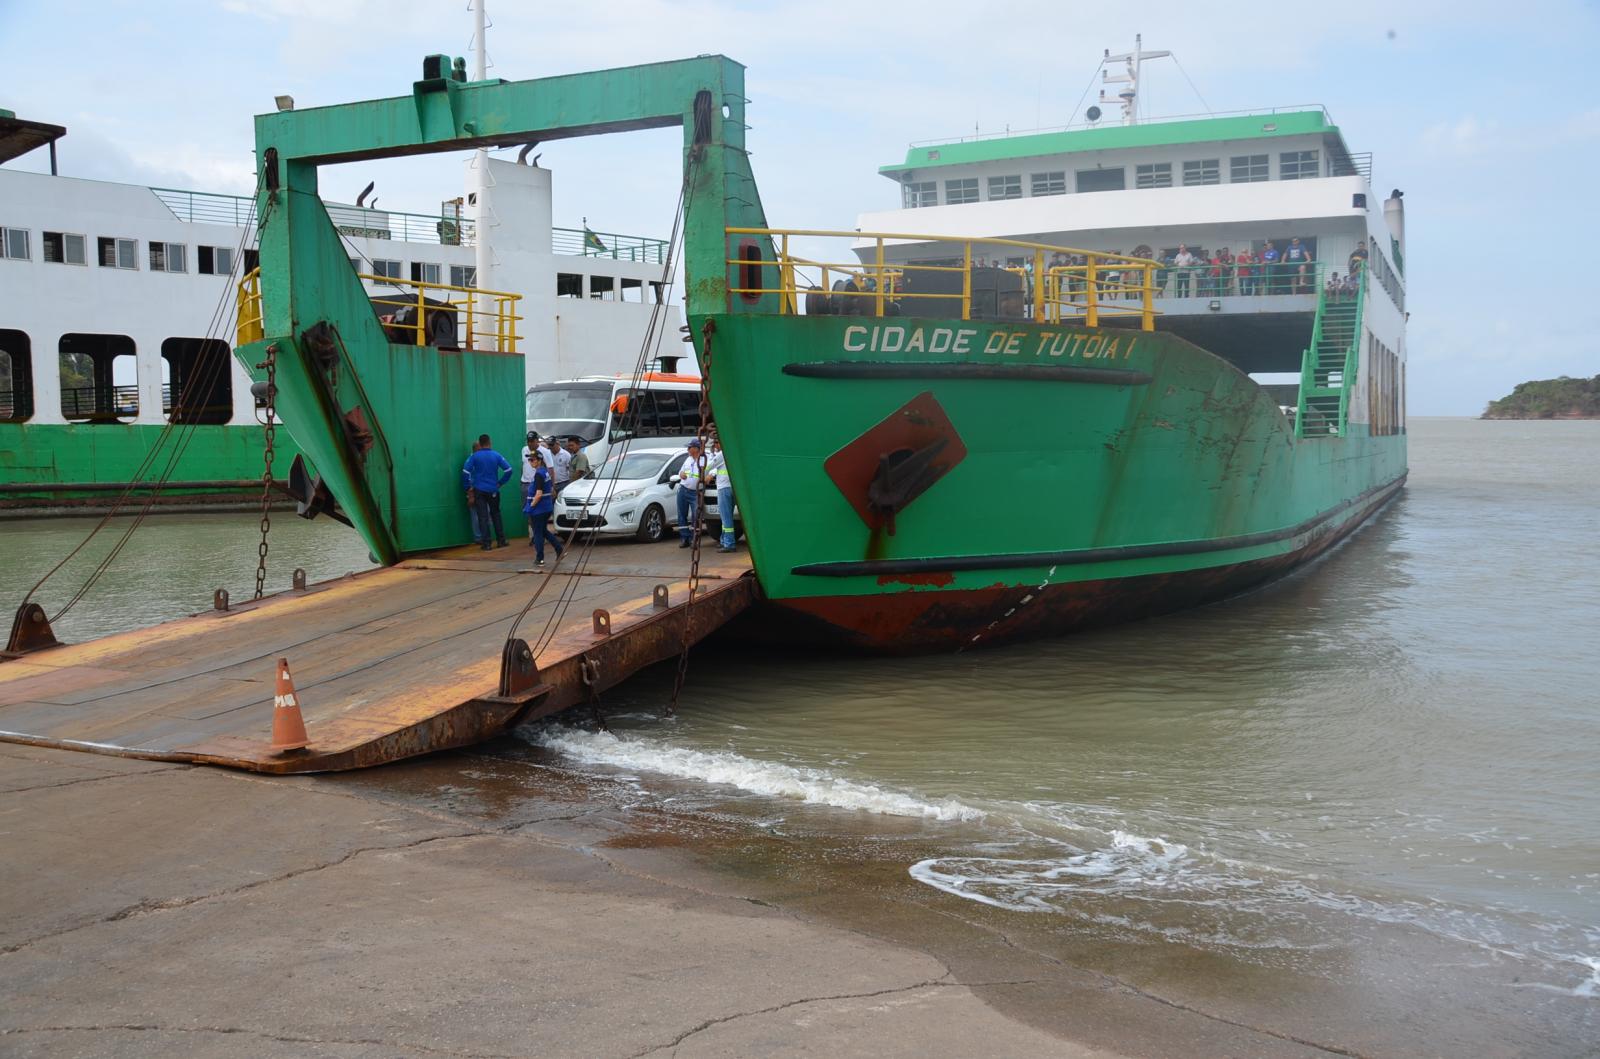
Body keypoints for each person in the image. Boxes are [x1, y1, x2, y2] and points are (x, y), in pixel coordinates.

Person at [461, 433, 512, 549]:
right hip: (493, 489)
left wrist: (468, 488)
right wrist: (500, 483)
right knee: (496, 514)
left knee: (482, 516)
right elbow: (509, 470)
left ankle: (486, 544)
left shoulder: (474, 457)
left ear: (480, 443)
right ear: (490, 442)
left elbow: (465, 473)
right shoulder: (496, 455)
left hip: (479, 490)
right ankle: (501, 540)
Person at [522, 451, 563, 565]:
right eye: (529, 460)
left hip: (539, 509)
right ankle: (559, 549)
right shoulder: (544, 473)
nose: (531, 462)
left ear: (539, 460)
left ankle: (540, 558)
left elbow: (539, 494)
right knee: (543, 531)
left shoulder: (539, 474)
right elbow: (549, 489)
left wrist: (530, 507)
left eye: (533, 460)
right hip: (545, 508)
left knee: (538, 533)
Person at [706, 437, 736, 552]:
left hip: (724, 488)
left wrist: (701, 476)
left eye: (717, 443)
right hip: (732, 487)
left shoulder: (722, 454)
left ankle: (729, 544)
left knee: (726, 517)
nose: (715, 445)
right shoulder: (733, 453)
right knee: (726, 517)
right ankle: (724, 540)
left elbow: (708, 467)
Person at [675, 438, 704, 548]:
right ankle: (684, 538)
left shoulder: (703, 460)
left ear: (696, 449)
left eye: (689, 447)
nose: (687, 449)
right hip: (683, 490)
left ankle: (694, 539)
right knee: (681, 515)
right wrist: (681, 474)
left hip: (695, 492)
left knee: (695, 516)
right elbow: (681, 471)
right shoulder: (688, 459)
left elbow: (711, 471)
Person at [465, 438, 483, 543]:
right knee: (475, 515)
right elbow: (466, 478)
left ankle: (482, 536)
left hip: (481, 490)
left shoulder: (477, 460)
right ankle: (478, 537)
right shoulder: (470, 461)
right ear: (476, 449)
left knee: (483, 515)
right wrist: (470, 495)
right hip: (474, 491)